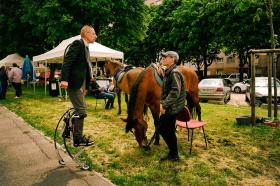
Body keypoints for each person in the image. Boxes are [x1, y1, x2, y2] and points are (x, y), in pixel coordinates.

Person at [60, 25, 97, 147]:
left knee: (80, 109)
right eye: (93, 33)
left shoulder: (86, 47)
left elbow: (84, 69)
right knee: (81, 111)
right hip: (73, 84)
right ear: (86, 33)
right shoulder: (78, 44)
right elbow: (67, 62)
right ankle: (78, 138)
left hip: (79, 85)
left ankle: (66, 131)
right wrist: (64, 79)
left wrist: (85, 86)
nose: (95, 36)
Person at [159, 51, 186, 162]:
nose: (164, 58)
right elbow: (165, 91)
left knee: (166, 130)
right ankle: (173, 153)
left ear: (173, 59)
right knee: (164, 129)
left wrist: (164, 105)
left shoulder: (174, 72)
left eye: (166, 57)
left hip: (172, 108)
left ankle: (174, 154)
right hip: (169, 106)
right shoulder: (169, 72)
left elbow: (175, 92)